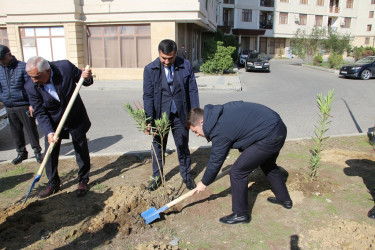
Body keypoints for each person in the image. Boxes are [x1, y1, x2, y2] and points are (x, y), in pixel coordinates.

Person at [187, 101, 293, 224]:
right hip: (278, 128)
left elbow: (216, 160)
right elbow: (243, 125)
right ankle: (284, 199)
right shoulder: (218, 113)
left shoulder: (219, 130)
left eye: (195, 131)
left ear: (201, 122)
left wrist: (204, 182)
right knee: (268, 164)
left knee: (237, 172)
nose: (196, 135)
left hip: (270, 135)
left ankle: (241, 214)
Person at [24, 56, 93, 198]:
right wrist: (49, 132)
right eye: (31, 77)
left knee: (80, 149)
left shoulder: (65, 68)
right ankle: (53, 183)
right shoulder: (30, 86)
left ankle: (83, 180)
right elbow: (39, 112)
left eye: (37, 77)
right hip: (53, 121)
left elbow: (85, 81)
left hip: (75, 117)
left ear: (48, 71)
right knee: (50, 152)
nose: (34, 80)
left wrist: (86, 77)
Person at [143, 39, 199, 191]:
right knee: (158, 146)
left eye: (170, 58)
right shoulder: (150, 69)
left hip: (180, 114)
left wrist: (195, 115)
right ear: (159, 54)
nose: (167, 61)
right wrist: (148, 119)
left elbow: (193, 90)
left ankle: (186, 175)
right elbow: (147, 96)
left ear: (175, 54)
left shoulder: (185, 65)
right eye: (164, 58)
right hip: (160, 117)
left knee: (182, 145)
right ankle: (157, 177)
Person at [0, 45, 43, 165]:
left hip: (24, 104)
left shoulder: (22, 67)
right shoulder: (0, 68)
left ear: (9, 55)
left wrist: (31, 103)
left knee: (31, 128)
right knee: (15, 131)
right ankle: (21, 153)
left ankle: (37, 152)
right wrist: (3, 98)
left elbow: (30, 87)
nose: (2, 62)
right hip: (9, 106)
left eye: (3, 59)